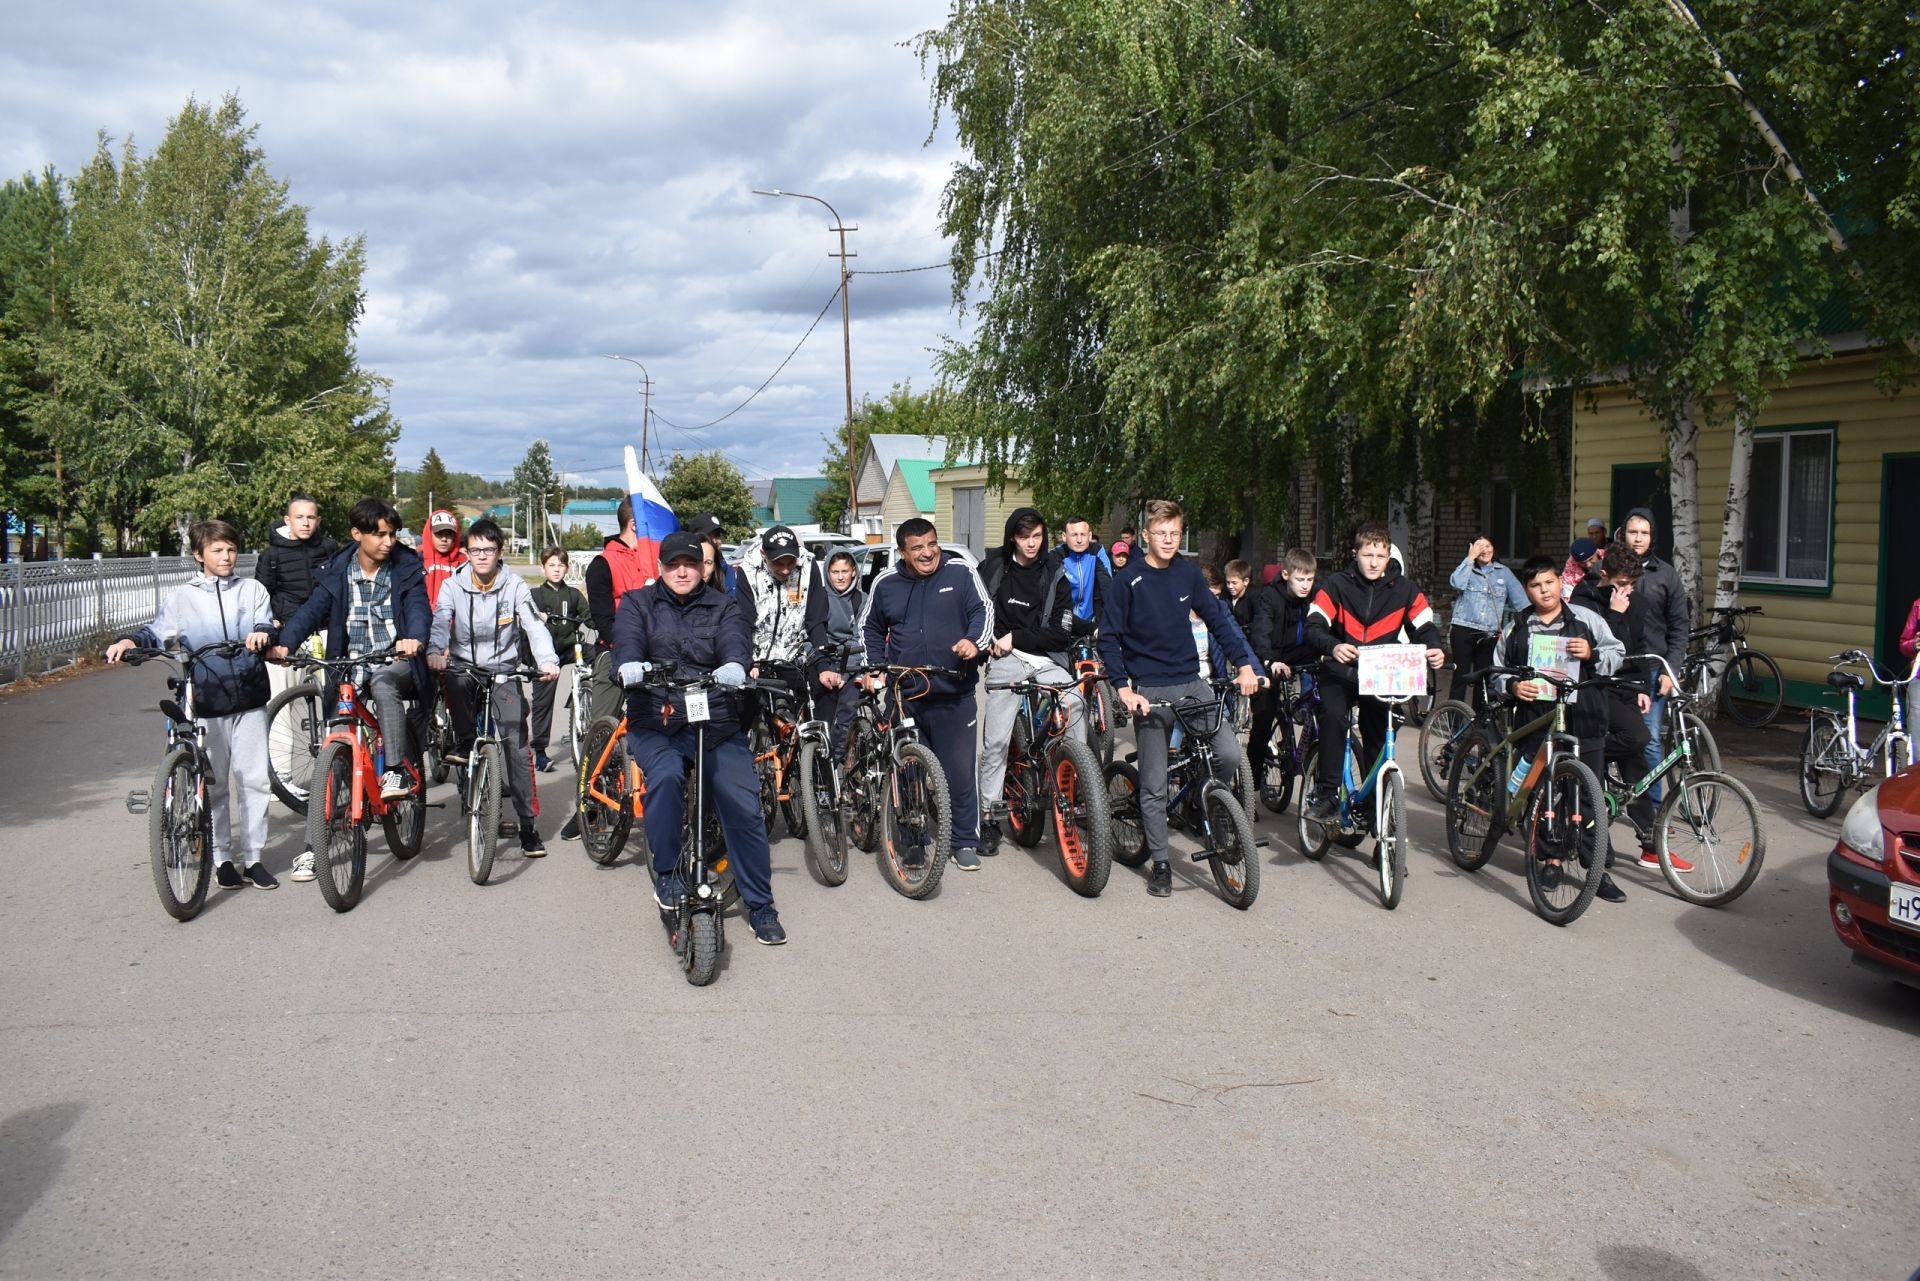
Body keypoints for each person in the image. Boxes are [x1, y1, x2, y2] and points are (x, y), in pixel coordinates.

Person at [614, 531, 786, 945]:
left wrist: (733, 665)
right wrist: (630, 666)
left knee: (742, 802)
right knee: (668, 777)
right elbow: (627, 644)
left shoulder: (724, 606)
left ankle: (760, 905)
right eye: (673, 564)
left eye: (691, 564)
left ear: (703, 567)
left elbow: (734, 644)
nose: (683, 571)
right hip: (658, 719)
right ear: (661, 567)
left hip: (715, 722)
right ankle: (669, 876)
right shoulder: (639, 604)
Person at [1099, 499, 1260, 897]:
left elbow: (1220, 622)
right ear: (1146, 536)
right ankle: (1161, 864)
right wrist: (1124, 690)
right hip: (1150, 692)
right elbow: (1109, 638)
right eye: (1161, 534)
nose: (1169, 540)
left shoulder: (1188, 575)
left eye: (1175, 533)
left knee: (1227, 754)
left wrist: (1243, 666)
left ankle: (1208, 804)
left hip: (1192, 682)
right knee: (1154, 784)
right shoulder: (1128, 580)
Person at [107, 519, 278, 891]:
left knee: (255, 781)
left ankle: (254, 858)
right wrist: (128, 642)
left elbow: (267, 624)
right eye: (217, 550)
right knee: (213, 785)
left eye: (231, 549)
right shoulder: (182, 597)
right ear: (199, 555)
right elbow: (156, 631)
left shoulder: (252, 590)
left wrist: (264, 633)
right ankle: (222, 859)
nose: (226, 556)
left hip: (249, 696)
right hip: (207, 700)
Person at [271, 496, 431, 809]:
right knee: (336, 745)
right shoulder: (338, 570)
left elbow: (418, 608)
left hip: (395, 662)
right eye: (380, 535)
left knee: (384, 684)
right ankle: (316, 845)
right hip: (350, 666)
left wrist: (414, 638)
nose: (388, 542)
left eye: (392, 534)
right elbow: (311, 611)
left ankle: (396, 769)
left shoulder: (405, 567)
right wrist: (285, 644)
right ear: (357, 534)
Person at [857, 517, 995, 871]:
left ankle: (965, 840)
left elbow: (983, 611)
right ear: (903, 552)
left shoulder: (961, 573)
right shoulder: (886, 583)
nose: (927, 552)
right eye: (917, 547)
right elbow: (869, 626)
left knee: (959, 774)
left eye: (931, 544)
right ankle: (913, 840)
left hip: (954, 692)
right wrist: (876, 665)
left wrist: (974, 642)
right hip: (906, 696)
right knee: (908, 775)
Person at [1497, 555, 1630, 903]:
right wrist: (1512, 687)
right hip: (1536, 719)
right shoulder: (1518, 627)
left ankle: (1596, 869)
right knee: (1545, 795)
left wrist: (1591, 654)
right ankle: (1551, 860)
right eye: (1536, 586)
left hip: (1585, 718)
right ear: (1526, 590)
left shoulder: (1586, 619)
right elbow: (1499, 669)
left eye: (1550, 582)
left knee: (1589, 797)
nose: (1545, 591)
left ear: (1560, 582)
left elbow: (1617, 653)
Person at [428, 518, 561, 854]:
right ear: (467, 552)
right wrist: (434, 651)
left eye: (488, 550)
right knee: (455, 681)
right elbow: (442, 619)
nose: (482, 556)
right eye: (475, 550)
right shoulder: (452, 584)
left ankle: (528, 826)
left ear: (500, 552)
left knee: (516, 746)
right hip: (464, 668)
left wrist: (547, 660)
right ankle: (463, 743)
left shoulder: (515, 585)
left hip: (503, 672)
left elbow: (532, 623)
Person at [1304, 521, 1447, 821]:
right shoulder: (1336, 584)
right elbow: (1314, 626)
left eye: (1380, 556)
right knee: (1332, 716)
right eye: (1367, 555)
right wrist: (1332, 646)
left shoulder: (1405, 589)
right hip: (1339, 671)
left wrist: (1433, 646)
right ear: (1356, 553)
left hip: (1380, 674)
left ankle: (1376, 816)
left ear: (1388, 557)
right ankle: (1328, 794)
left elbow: (1424, 626)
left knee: (1380, 736)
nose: (1373, 562)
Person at [976, 508, 1089, 855]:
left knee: (1074, 702)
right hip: (1003, 659)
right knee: (996, 742)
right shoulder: (993, 569)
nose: (1031, 543)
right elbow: (976, 611)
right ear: (1013, 536)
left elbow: (1060, 634)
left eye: (1037, 536)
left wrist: (1017, 637)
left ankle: (1075, 781)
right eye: (1025, 537)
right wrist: (993, 641)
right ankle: (990, 816)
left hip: (1043, 657)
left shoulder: (1056, 573)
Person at [1571, 542, 1664, 870]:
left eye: (1632, 584)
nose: (1627, 590)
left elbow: (1638, 646)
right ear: (1605, 574)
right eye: (1622, 583)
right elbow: (1602, 651)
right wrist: (1614, 614)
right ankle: (1598, 849)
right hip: (1596, 685)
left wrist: (1641, 686)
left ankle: (1651, 841)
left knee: (1635, 757)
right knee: (1637, 740)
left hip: (1625, 686)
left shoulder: (1635, 600)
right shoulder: (1584, 599)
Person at [1621, 508, 1691, 809]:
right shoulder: (1608, 568)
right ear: (1623, 534)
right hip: (1616, 666)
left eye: (1644, 533)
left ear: (1652, 537)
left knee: (1649, 739)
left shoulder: (1666, 574)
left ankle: (1652, 811)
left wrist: (1669, 670)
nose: (1638, 539)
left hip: (1651, 667)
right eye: (1633, 532)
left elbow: (1679, 626)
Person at [253, 493, 339, 700]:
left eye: (311, 518)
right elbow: (261, 594)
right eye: (299, 517)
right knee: (281, 698)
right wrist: (271, 622)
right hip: (286, 631)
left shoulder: (330, 549)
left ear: (318, 520)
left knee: (338, 696)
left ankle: (335, 732)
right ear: (287, 520)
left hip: (327, 630)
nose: (306, 523)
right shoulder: (271, 555)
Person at [1247, 547, 1320, 791]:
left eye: (1310, 580)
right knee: (1263, 720)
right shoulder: (1271, 596)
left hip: (1302, 654)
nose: (1305, 585)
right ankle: (1251, 790)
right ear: (1286, 574)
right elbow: (1261, 630)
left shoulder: (1316, 594)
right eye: (1300, 579)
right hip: (1273, 657)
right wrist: (1269, 660)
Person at [1448, 535, 1527, 711]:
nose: (1485, 550)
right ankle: (1453, 721)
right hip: (1463, 628)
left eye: (1488, 545)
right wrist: (1469, 558)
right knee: (1461, 675)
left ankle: (1478, 721)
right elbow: (1456, 582)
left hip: (1489, 633)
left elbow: (1521, 602)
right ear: (1472, 549)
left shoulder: (1503, 572)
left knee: (1484, 679)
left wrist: (1527, 624)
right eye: (1479, 546)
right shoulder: (1467, 569)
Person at [528, 546, 588, 772]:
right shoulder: (536, 594)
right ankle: (541, 752)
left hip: (569, 648)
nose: (556, 570)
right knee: (543, 702)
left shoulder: (573, 594)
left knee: (599, 654)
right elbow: (530, 619)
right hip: (546, 656)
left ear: (567, 568)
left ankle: (589, 700)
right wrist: (539, 615)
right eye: (551, 565)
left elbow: (588, 616)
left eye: (560, 565)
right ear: (543, 568)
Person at [805, 549, 866, 758]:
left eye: (845, 571)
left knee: (849, 708)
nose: (840, 577)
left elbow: (862, 637)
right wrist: (826, 667)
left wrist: (849, 672)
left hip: (852, 662)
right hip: (824, 661)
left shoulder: (861, 599)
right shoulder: (818, 598)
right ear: (827, 573)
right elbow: (809, 637)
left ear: (854, 573)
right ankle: (818, 761)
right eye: (834, 571)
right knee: (823, 718)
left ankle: (839, 758)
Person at [1056, 515, 1111, 625]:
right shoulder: (1056, 556)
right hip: (1063, 623)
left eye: (1083, 534)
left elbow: (1107, 585)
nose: (1079, 540)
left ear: (1090, 536)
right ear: (1064, 536)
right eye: (1074, 535)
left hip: (1093, 622)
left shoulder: (1097, 552)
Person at [421, 509, 467, 609]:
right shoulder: (417, 560)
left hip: (455, 622)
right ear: (429, 534)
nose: (444, 539)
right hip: (424, 620)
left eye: (449, 534)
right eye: (438, 533)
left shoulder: (464, 563)